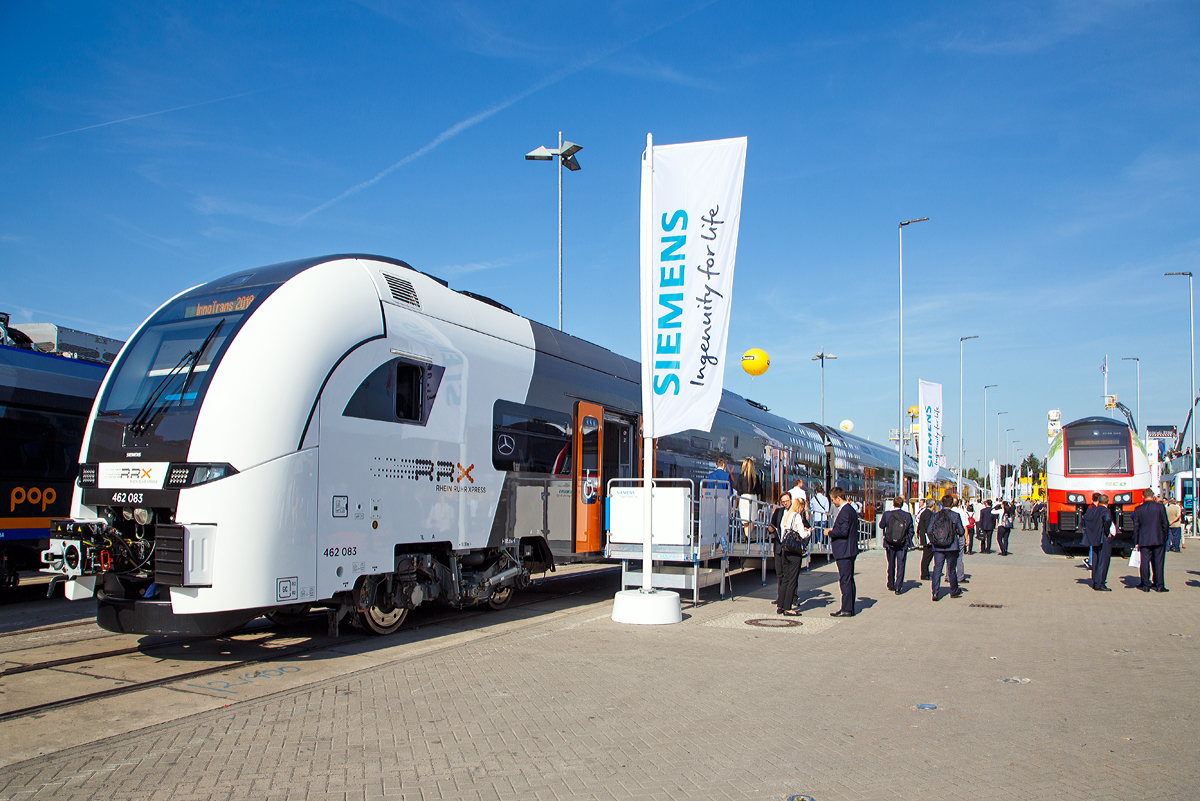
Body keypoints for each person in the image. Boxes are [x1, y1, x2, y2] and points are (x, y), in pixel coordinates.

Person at [827, 487, 860, 617]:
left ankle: (846, 608)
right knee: (849, 579)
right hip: (850, 549)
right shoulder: (851, 510)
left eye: (833, 499)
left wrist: (830, 532)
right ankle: (849, 607)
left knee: (845, 580)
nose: (833, 502)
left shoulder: (845, 511)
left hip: (844, 551)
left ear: (839, 498)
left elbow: (843, 531)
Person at [776, 498, 810, 615]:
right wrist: (809, 531)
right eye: (803, 507)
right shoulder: (797, 516)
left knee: (785, 578)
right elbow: (803, 534)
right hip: (794, 551)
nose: (803, 510)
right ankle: (787, 607)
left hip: (785, 548)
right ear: (800, 506)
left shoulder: (787, 515)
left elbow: (783, 531)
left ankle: (780, 605)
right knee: (792, 579)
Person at [1132, 488, 1170, 592]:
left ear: (1143, 497)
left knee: (1144, 562)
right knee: (1159, 562)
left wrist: (1136, 541)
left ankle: (1145, 584)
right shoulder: (1160, 507)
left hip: (1144, 539)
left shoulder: (1138, 509)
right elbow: (1165, 523)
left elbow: (1136, 526)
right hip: (1158, 538)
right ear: (1153, 496)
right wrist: (1165, 536)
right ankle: (1159, 584)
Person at [929, 494, 965, 601]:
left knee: (937, 569)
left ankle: (935, 592)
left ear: (941, 504)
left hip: (938, 547)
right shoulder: (955, 515)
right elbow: (962, 531)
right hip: (952, 546)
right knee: (951, 569)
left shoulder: (935, 515)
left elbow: (929, 530)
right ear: (952, 504)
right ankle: (953, 590)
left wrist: (934, 540)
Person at [880, 497, 914, 595]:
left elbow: (881, 525)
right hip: (902, 544)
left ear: (893, 504)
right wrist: (906, 539)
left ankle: (891, 583)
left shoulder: (887, 514)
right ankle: (898, 587)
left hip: (889, 543)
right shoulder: (907, 516)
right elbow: (911, 530)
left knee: (891, 564)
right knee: (901, 564)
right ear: (902, 504)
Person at [1081, 492, 1114, 591]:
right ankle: (1101, 583)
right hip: (1103, 538)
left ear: (1098, 502)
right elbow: (1107, 520)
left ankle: (1095, 581)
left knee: (1095, 560)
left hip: (1094, 538)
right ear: (1107, 503)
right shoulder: (1106, 511)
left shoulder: (1091, 511)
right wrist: (1107, 531)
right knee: (1103, 561)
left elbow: (1083, 521)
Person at [734, 457, 762, 541]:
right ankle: (748, 536)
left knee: (745, 520)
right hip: (753, 498)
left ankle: (746, 535)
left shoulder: (741, 477)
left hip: (743, 498)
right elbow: (759, 491)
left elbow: (738, 490)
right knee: (751, 519)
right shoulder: (755, 477)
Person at [767, 491, 792, 582]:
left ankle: (791, 595)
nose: (785, 503)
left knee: (789, 574)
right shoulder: (778, 511)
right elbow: (772, 525)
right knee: (779, 574)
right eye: (783, 502)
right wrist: (770, 529)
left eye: (787, 501)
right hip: (779, 546)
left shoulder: (795, 512)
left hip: (791, 547)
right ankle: (781, 595)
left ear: (791, 500)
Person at [918, 498, 937, 580]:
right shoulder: (929, 514)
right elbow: (928, 527)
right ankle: (924, 574)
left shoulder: (924, 513)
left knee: (926, 556)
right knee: (927, 556)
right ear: (933, 505)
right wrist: (930, 539)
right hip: (928, 538)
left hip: (925, 537)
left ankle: (925, 572)